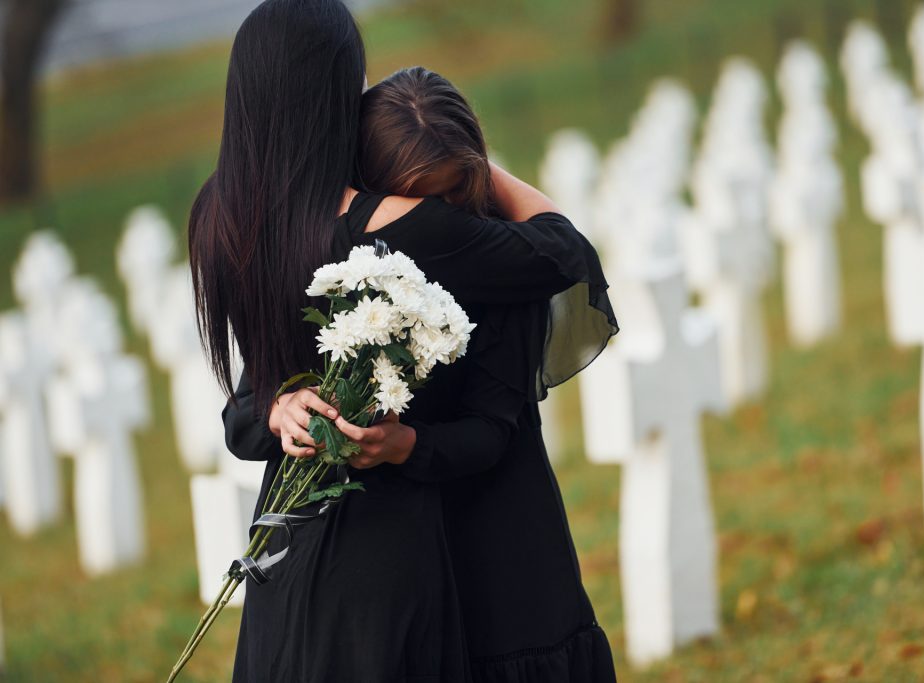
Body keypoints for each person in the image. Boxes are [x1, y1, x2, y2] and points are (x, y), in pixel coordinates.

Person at [193, 1, 614, 680]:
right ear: (336, 94)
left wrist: (276, 406)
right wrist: (478, 163)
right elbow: (562, 251)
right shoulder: (403, 226)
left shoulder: (222, 215)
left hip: (296, 569)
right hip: (437, 546)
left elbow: (246, 405)